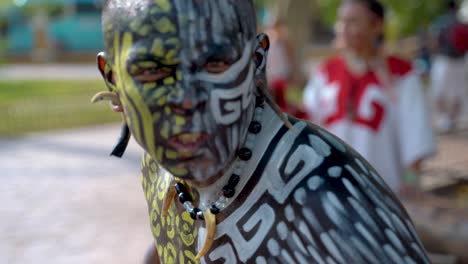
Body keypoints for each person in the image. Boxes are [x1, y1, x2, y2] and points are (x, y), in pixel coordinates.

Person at [94, 0, 430, 263]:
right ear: (113, 80)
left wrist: (412, 185)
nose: (185, 100)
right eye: (152, 72)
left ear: (256, 61)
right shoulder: (159, 169)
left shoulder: (327, 197)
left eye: (215, 65)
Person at [303, 0, 435, 194]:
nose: (343, 28)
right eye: (341, 21)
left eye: (353, 21)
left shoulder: (402, 74)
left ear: (376, 25)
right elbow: (306, 124)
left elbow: (416, 137)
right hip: (329, 193)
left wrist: (409, 183)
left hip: (381, 197)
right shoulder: (325, 73)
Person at [430, 0, 468, 132]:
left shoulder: (442, 22)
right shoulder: (462, 23)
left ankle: (445, 119)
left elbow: (435, 42)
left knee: (439, 91)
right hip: (460, 61)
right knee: (457, 92)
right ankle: (452, 119)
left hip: (444, 60)